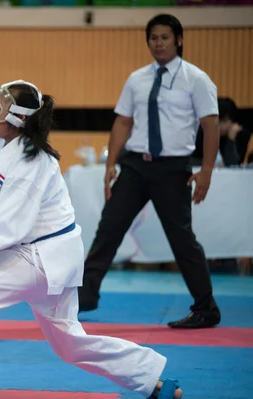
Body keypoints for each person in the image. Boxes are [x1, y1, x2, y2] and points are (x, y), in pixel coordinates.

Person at [0, 80, 182, 399]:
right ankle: (153, 380)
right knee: (69, 343)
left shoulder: (34, 161)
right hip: (39, 255)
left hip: (40, 257)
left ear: (19, 119)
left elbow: (10, 228)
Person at [78, 14, 222, 329]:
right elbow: (123, 122)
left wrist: (207, 170)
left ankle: (206, 308)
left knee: (181, 239)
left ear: (179, 40)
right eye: (153, 38)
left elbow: (210, 126)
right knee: (109, 227)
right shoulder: (137, 79)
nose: (158, 43)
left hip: (173, 169)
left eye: (165, 37)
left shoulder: (196, 79)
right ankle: (86, 295)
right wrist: (110, 165)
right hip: (134, 165)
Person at [193, 97, 251, 166]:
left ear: (233, 121)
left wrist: (231, 140)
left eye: (224, 121)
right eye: (216, 120)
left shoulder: (242, 134)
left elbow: (233, 164)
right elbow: (191, 160)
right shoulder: (203, 131)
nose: (218, 125)